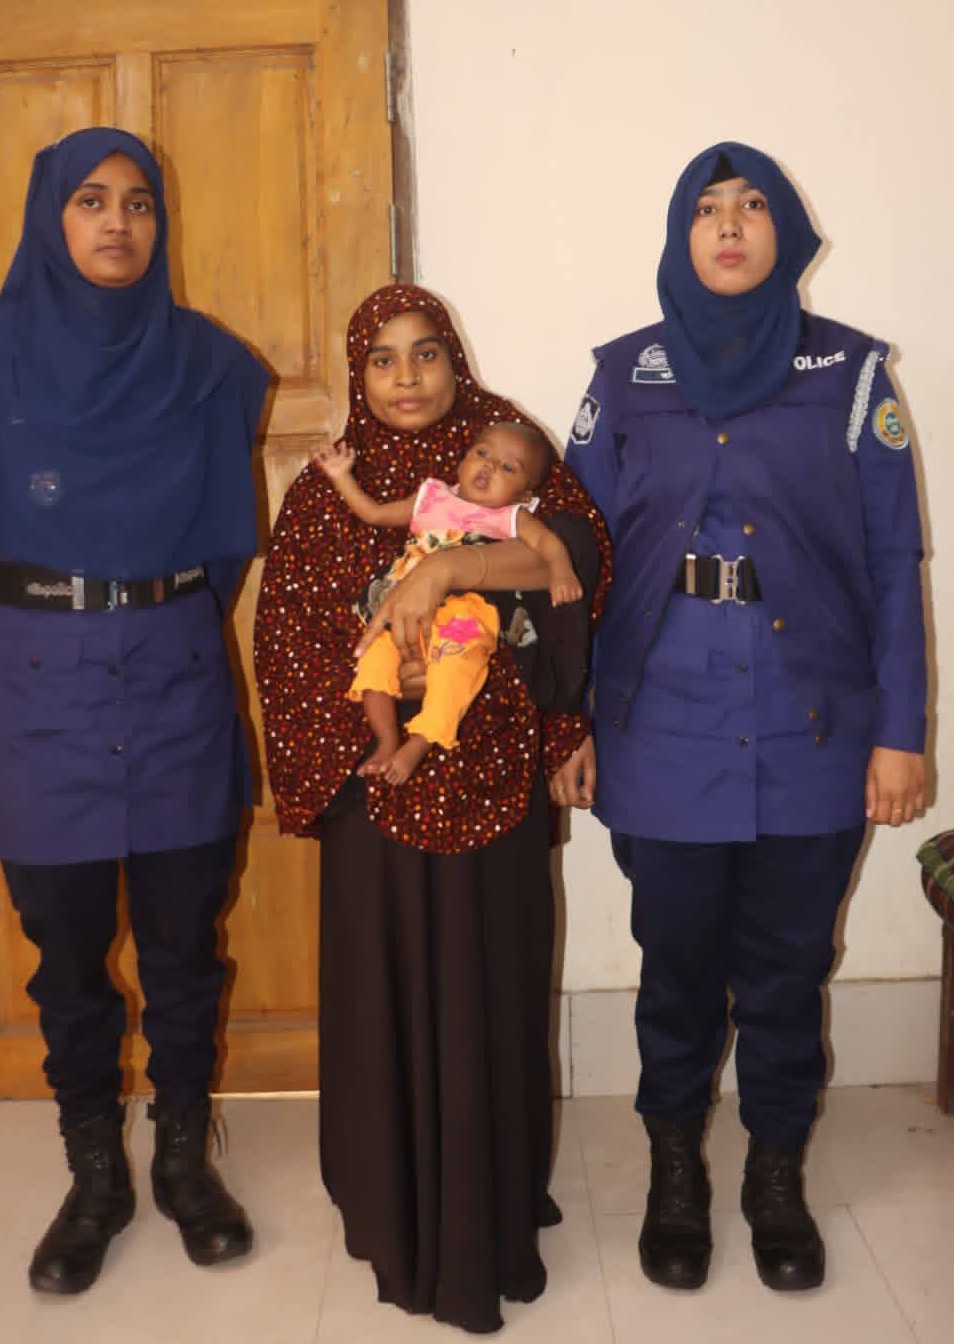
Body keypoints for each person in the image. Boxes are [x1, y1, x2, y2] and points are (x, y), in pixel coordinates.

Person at [559, 141, 927, 1294]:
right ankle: (674, 1173)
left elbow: (893, 564)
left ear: (786, 233)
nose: (728, 225)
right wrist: (567, 720)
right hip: (658, 722)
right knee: (674, 965)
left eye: (752, 205)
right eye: (707, 208)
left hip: (812, 724)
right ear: (680, 234)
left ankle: (774, 1177)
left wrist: (901, 732)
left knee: (784, 970)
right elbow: (570, 559)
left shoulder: (850, 373)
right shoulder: (623, 375)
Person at [0, 127, 270, 1295]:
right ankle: (92, 1174)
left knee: (184, 942)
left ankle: (181, 1158)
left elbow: (229, 538)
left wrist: (152, 618)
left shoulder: (211, 365)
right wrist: (46, 630)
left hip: (175, 673)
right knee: (66, 957)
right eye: (90, 200)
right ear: (51, 217)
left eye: (138, 202)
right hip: (40, 688)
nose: (117, 221)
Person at [255, 284, 610, 1335]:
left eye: (426, 354)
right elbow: (287, 637)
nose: (405, 378)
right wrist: (367, 711)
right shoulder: (326, 493)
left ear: (456, 361)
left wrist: (454, 570)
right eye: (382, 358)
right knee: (391, 990)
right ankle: (393, 1206)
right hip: (374, 787)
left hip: (490, 775)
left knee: (487, 982)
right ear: (356, 372)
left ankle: (487, 1208)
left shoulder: (509, 455)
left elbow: (578, 565)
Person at [314, 420, 582, 783]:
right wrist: (341, 477)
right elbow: (375, 514)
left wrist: (562, 570)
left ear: (523, 495)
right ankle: (387, 739)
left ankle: (422, 740)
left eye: (508, 467)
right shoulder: (432, 497)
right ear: (462, 460)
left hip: (466, 613)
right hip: (408, 611)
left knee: (456, 669)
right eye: (482, 453)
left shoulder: (511, 516)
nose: (489, 466)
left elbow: (548, 545)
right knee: (373, 661)